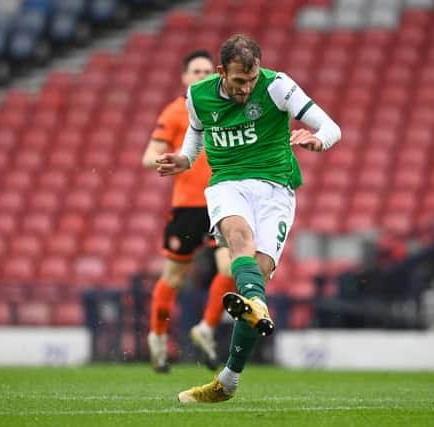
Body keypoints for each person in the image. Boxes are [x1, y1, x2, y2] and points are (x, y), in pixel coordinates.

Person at [156, 34, 341, 403]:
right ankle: (254, 306)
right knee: (239, 237)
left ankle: (228, 381)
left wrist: (319, 141)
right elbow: (196, 132)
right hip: (227, 183)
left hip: (276, 189)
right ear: (223, 72)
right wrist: (186, 159)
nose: (247, 88)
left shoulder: (278, 86)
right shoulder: (199, 95)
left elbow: (332, 128)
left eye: (252, 80)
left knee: (258, 274)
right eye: (240, 81)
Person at [142, 49, 236, 373]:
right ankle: (157, 337)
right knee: (175, 276)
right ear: (184, 78)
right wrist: (170, 160)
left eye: (207, 71)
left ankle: (206, 329)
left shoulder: (226, 109)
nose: (201, 76)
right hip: (187, 207)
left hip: (222, 202)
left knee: (230, 267)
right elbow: (148, 155)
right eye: (195, 71)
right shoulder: (175, 111)